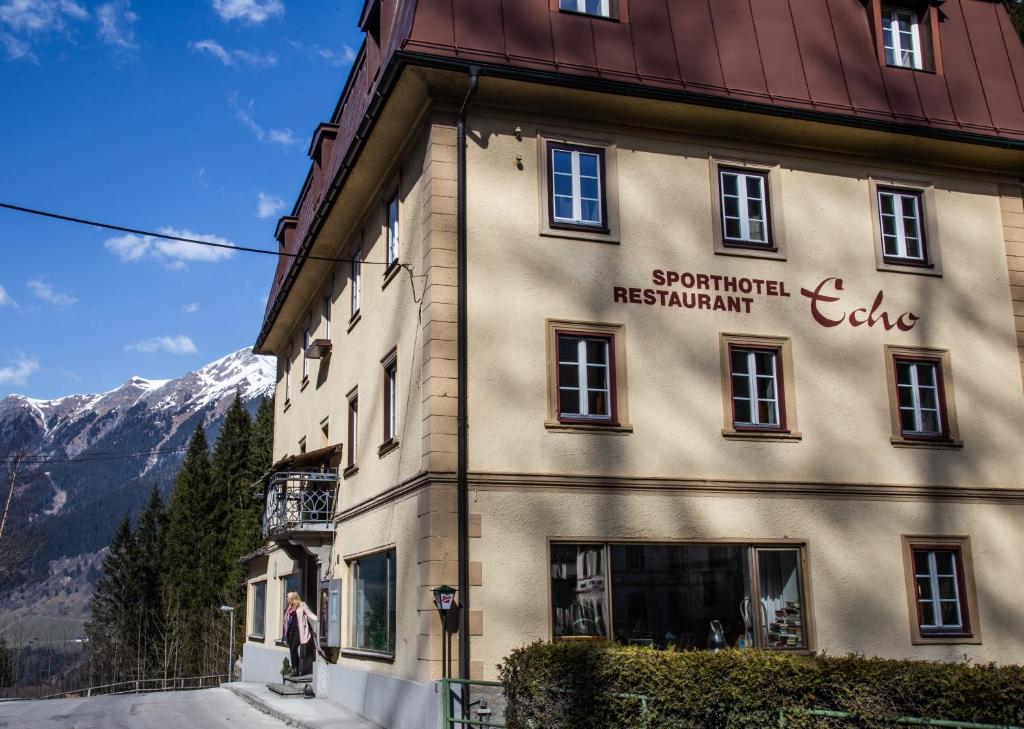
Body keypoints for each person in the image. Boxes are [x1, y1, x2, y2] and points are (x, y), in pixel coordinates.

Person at [282, 591, 318, 676]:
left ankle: (295, 669)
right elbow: (286, 620)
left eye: (288, 597)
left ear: (292, 598)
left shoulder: (302, 605)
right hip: (290, 631)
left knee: (294, 648)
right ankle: (295, 669)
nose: (287, 599)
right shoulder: (289, 607)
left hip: (299, 631)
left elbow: (310, 614)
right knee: (292, 650)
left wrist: (318, 619)